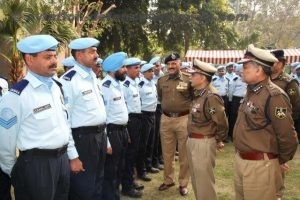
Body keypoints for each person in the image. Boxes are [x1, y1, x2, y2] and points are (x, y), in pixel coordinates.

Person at [0, 34, 82, 200]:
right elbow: (5, 141)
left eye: (54, 56)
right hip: (36, 168)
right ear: (30, 59)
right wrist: (13, 170)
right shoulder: (17, 95)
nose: (54, 61)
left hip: (61, 162)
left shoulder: (57, 87)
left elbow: (65, 125)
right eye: (47, 57)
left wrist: (71, 155)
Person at [233, 44, 298, 200]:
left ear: (259, 70)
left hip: (260, 167)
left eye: (246, 67)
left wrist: (278, 161)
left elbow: (288, 136)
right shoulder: (251, 91)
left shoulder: (274, 96)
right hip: (242, 161)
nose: (242, 71)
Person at [60, 37, 107, 200]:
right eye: (92, 52)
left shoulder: (92, 77)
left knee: (98, 182)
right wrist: (73, 155)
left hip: (100, 136)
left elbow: (100, 112)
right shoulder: (69, 80)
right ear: (79, 55)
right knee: (83, 187)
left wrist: (105, 139)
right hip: (83, 139)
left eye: (96, 51)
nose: (96, 55)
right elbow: (65, 120)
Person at [187, 59, 228, 200]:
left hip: (203, 142)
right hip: (193, 140)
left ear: (203, 78)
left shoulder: (211, 97)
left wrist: (218, 139)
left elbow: (221, 122)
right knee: (196, 180)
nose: (190, 77)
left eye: (193, 74)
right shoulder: (199, 93)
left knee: (204, 183)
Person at [157, 53, 193, 196]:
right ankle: (168, 179)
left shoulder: (188, 79)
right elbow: (160, 97)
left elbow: (193, 97)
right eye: (169, 64)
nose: (171, 66)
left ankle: (183, 183)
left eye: (174, 63)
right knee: (167, 153)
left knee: (184, 154)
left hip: (183, 119)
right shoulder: (161, 80)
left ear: (180, 64)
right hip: (166, 119)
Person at [101, 52, 129, 200]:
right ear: (113, 69)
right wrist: (107, 141)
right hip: (112, 133)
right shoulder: (106, 87)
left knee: (120, 167)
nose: (125, 70)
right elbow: (103, 116)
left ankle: (116, 195)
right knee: (112, 169)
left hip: (122, 131)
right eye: (123, 67)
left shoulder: (118, 85)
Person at [120, 57, 143, 198]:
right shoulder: (125, 85)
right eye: (135, 67)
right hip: (130, 121)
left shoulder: (134, 83)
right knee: (128, 155)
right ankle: (127, 186)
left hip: (137, 119)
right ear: (127, 69)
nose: (138, 70)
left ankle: (130, 180)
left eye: (139, 67)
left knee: (134, 153)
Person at [271, 50, 300, 142]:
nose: (269, 65)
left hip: (281, 120)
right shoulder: (266, 78)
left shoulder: (289, 82)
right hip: (266, 121)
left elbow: (295, 104)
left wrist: (289, 123)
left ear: (279, 64)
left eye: (271, 62)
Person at [137, 63, 158, 181]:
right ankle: (142, 170)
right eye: (149, 71)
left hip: (153, 114)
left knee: (151, 142)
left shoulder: (152, 84)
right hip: (144, 115)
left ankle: (149, 165)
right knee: (143, 144)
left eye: (152, 71)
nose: (152, 72)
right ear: (143, 73)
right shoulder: (140, 85)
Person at [149, 56, 164, 169]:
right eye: (154, 66)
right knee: (154, 137)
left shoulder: (163, 76)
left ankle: (159, 157)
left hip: (161, 107)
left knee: (160, 134)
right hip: (153, 108)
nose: (156, 68)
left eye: (158, 65)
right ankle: (154, 160)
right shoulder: (147, 78)